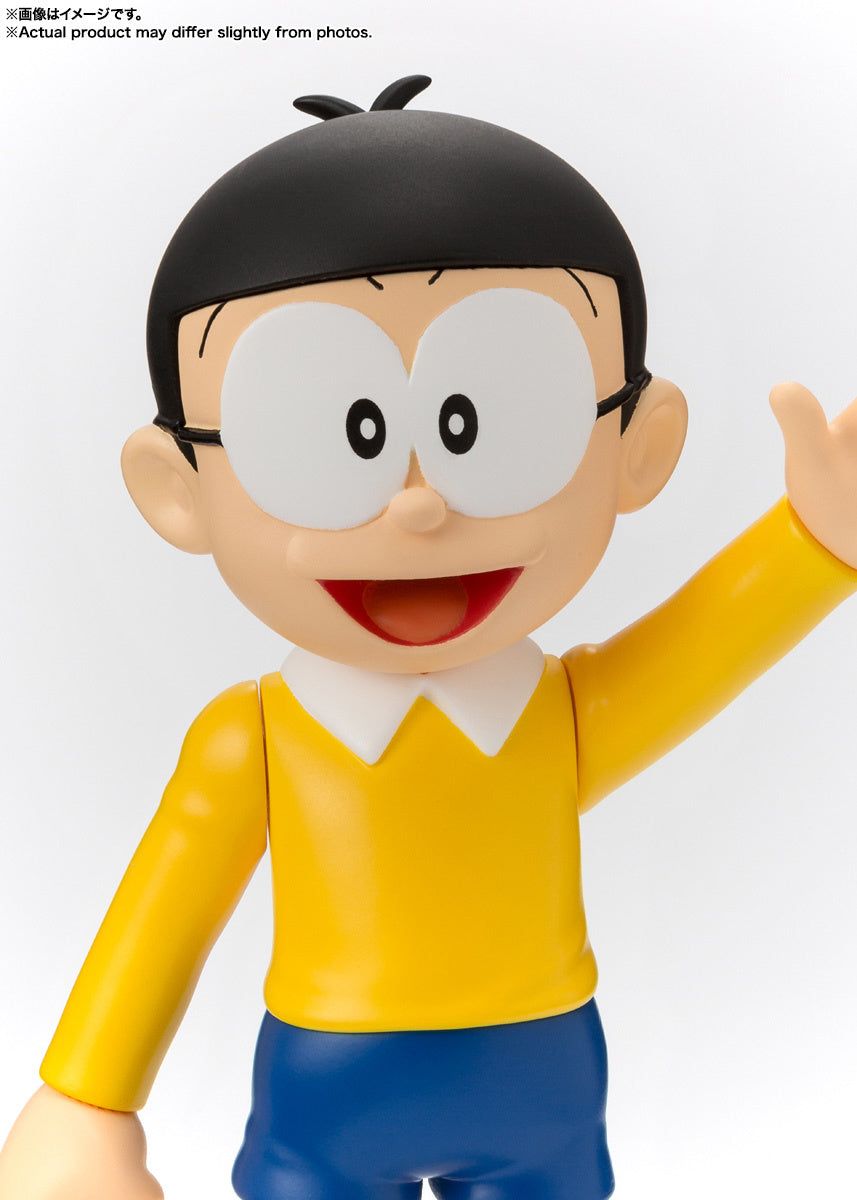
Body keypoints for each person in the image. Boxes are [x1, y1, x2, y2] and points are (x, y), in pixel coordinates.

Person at [1, 75, 856, 1200]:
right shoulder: (256, 741)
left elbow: (705, 646)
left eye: (492, 422)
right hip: (324, 1105)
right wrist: (85, 1103)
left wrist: (812, 544)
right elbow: (162, 916)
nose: (417, 507)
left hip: (545, 1087)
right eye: (324, 435)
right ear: (178, 488)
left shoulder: (559, 717)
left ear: (638, 447)